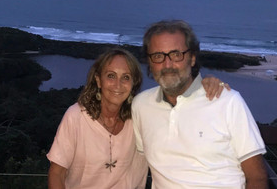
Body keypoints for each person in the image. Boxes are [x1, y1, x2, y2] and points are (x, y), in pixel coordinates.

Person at [47, 47, 228, 189]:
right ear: (98, 80)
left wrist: (203, 85)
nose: (118, 84)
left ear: (133, 83)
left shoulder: (142, 114)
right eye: (111, 76)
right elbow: (57, 173)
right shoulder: (76, 117)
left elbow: (179, 103)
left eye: (126, 77)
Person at [132, 20, 268, 189]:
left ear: (192, 58)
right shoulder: (141, 106)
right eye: (158, 56)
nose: (167, 65)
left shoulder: (227, 102)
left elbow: (257, 178)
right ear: (149, 62)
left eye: (176, 54)